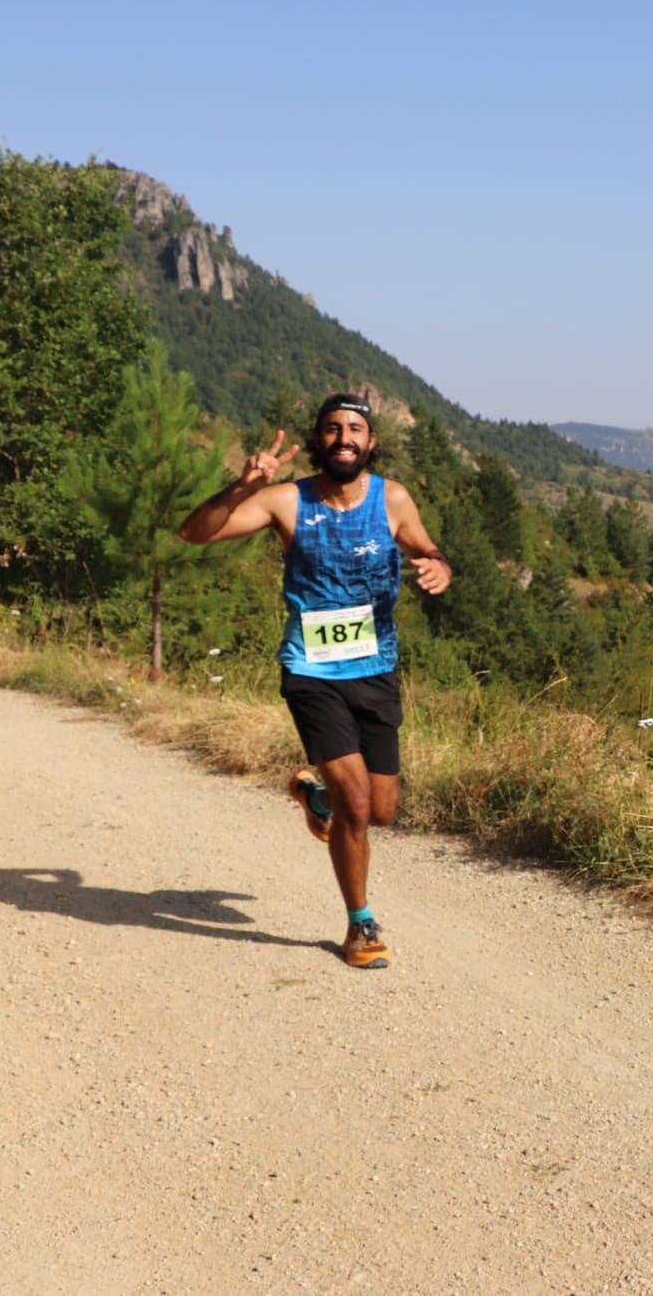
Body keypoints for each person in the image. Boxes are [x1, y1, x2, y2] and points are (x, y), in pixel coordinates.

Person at [179, 392, 451, 968]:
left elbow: (427, 547)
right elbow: (194, 534)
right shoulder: (285, 501)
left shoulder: (393, 498)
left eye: (355, 429)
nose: (344, 437)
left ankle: (314, 793)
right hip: (311, 671)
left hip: (376, 669)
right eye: (332, 428)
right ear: (320, 438)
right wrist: (243, 485)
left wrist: (438, 565)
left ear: (371, 442)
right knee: (356, 805)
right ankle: (361, 925)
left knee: (380, 810)